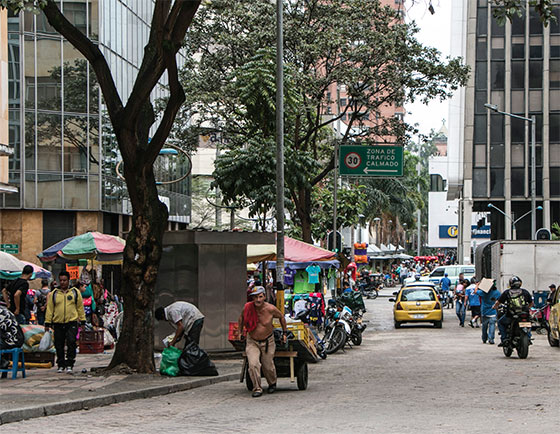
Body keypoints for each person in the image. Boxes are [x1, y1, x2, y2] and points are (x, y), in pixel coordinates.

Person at [238, 286, 288, 397]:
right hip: (252, 341)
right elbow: (241, 318)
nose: (258, 300)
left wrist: (284, 333)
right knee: (253, 364)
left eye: (260, 297)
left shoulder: (270, 309)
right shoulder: (247, 307)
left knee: (268, 365)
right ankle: (257, 388)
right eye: (255, 297)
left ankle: (272, 383)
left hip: (268, 341)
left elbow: (282, 317)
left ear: (264, 296)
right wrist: (240, 332)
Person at [45, 271, 86, 374]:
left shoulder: (75, 292)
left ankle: (70, 363)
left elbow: (80, 307)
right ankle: (61, 364)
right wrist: (47, 322)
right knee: (59, 344)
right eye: (61, 280)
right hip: (58, 323)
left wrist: (82, 321)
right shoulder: (54, 293)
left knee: (72, 342)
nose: (63, 282)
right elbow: (50, 309)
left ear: (68, 281)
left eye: (65, 280)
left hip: (71, 322)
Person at [493, 276, 533, 347]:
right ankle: (529, 337)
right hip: (524, 314)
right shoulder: (525, 292)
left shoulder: (507, 292)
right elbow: (531, 303)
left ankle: (504, 339)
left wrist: (494, 307)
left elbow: (498, 302)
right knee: (528, 323)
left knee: (500, 322)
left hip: (511, 315)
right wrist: (527, 308)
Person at [0, 299, 24, 370]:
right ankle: (3, 361)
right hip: (18, 339)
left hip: (12, 341)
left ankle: (2, 361)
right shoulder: (4, 310)